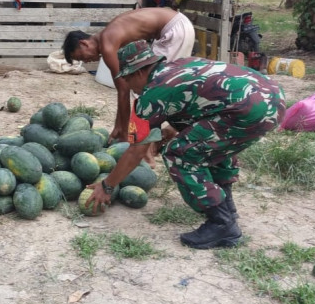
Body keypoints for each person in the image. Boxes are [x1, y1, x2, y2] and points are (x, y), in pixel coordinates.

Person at [85, 40, 285, 250]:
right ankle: (227, 208)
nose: (127, 85)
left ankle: (222, 223)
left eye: (126, 79)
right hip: (273, 97)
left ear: (136, 73)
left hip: (249, 110)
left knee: (179, 154)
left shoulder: (152, 94)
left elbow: (136, 151)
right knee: (209, 145)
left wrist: (107, 186)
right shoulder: (177, 67)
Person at [62, 7, 195, 153]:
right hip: (174, 27)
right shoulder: (108, 37)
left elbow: (123, 89)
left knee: (152, 87)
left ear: (84, 43)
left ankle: (151, 143)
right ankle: (164, 133)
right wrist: (118, 126)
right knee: (151, 87)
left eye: (81, 57)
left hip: (174, 30)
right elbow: (123, 87)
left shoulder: (107, 45)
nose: (85, 61)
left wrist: (123, 133)